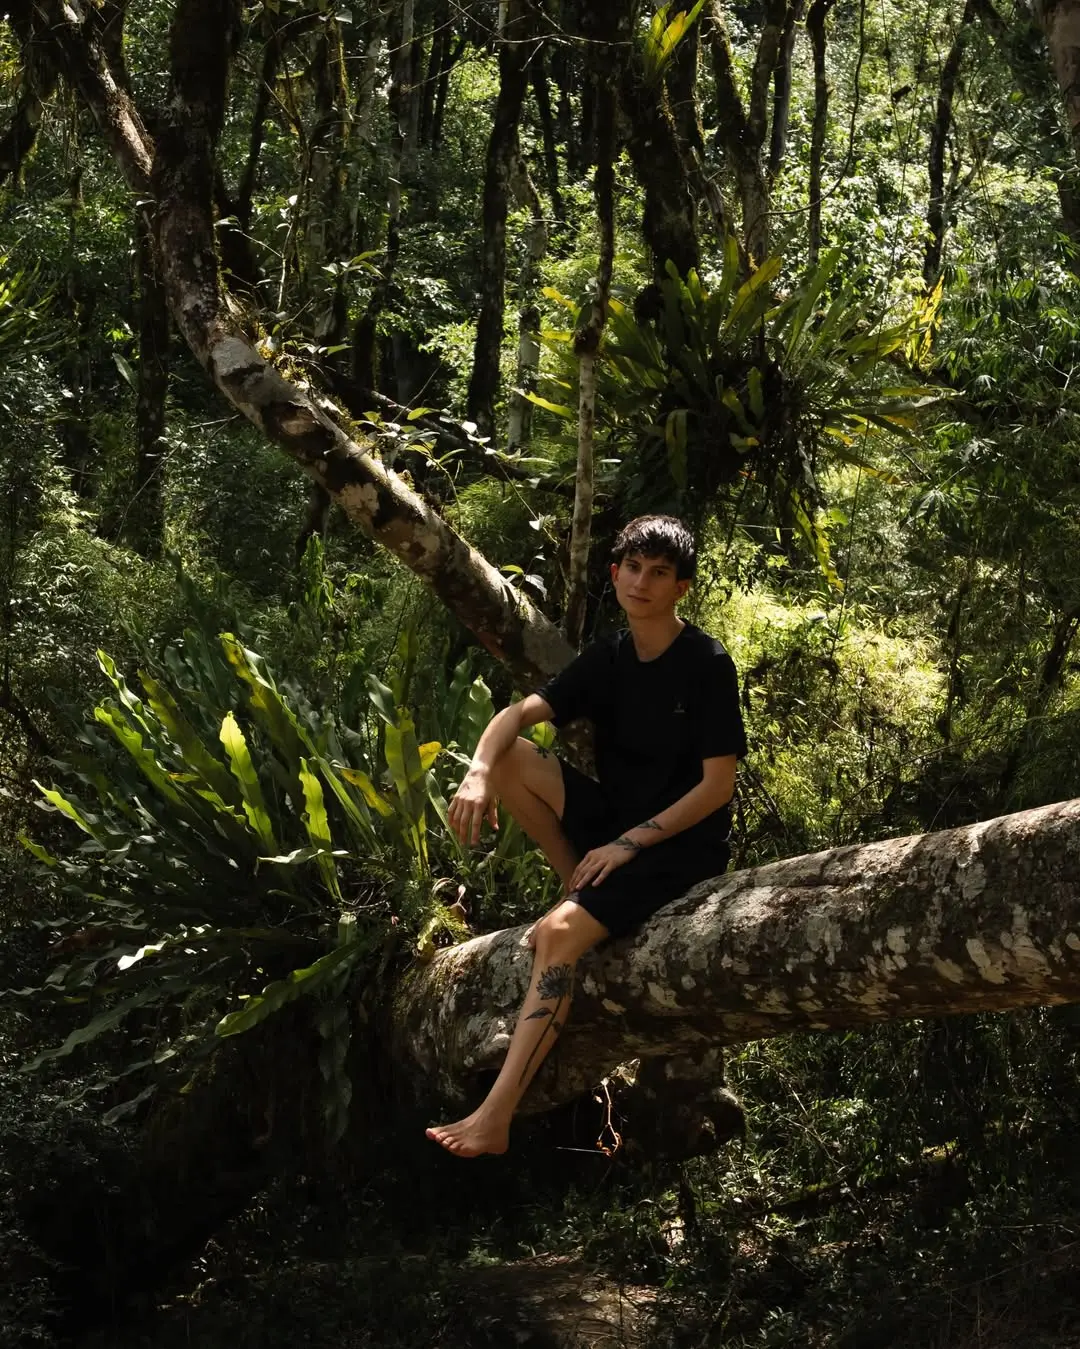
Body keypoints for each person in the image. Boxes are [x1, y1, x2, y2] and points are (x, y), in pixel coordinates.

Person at [425, 515, 747, 1157]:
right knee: (514, 755)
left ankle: (497, 1116)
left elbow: (717, 787)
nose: (643, 583)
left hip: (678, 848)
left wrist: (630, 845)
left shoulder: (706, 664)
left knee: (556, 937)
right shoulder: (609, 656)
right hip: (610, 832)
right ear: (615, 572)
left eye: (660, 573)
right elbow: (517, 716)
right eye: (633, 568)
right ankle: (575, 884)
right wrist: (480, 770)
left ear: (681, 587)